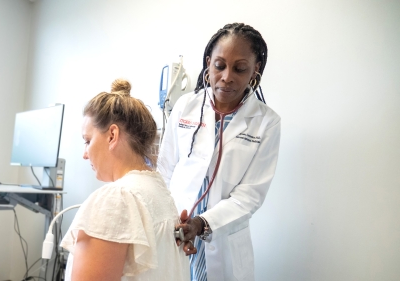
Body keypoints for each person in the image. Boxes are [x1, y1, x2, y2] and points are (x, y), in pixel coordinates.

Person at [157, 23, 281, 281]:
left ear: (255, 70)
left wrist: (201, 224)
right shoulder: (185, 106)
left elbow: (250, 196)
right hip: (175, 234)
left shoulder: (266, 122)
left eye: (240, 68)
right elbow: (165, 171)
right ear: (208, 63)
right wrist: (169, 224)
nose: (227, 76)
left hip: (223, 241)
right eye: (219, 65)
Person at [60, 79, 190, 281]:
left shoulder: (115, 199)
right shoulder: (159, 192)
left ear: (112, 135)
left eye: (87, 141)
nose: (85, 154)